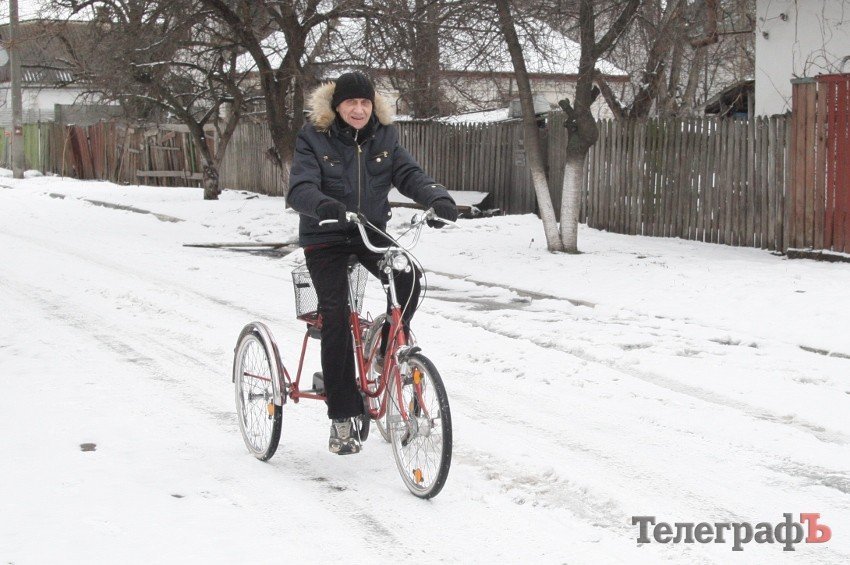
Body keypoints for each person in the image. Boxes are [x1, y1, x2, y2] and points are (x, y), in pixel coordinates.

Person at [288, 71, 458, 455]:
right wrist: (322, 205)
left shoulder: (384, 135)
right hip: (327, 235)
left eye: (365, 102)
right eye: (351, 102)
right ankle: (343, 418)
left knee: (408, 277)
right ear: (337, 105)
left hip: (369, 232)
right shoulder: (313, 136)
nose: (359, 109)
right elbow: (300, 186)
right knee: (334, 314)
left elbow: (408, 174)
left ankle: (385, 348)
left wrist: (436, 197)